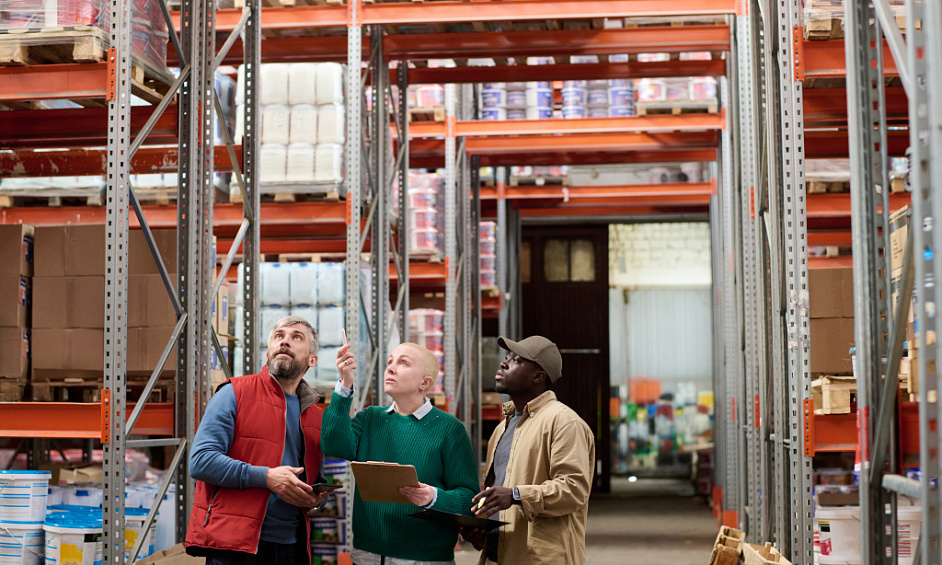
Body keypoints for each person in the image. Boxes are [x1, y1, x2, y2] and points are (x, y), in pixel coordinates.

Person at [185, 316, 328, 565]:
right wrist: (266, 477)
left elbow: (316, 478)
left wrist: (314, 498)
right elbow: (200, 461)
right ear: (268, 352)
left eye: (296, 337)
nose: (285, 341)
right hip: (235, 547)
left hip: (292, 547)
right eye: (278, 336)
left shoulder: (317, 415)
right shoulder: (234, 393)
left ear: (312, 360)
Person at [321, 341, 479, 565]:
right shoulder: (370, 419)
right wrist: (345, 386)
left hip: (423, 559)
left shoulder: (449, 429)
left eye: (403, 363)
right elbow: (331, 443)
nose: (391, 368)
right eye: (389, 362)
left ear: (424, 382)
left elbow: (470, 500)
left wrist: (433, 497)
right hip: (367, 555)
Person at [465, 335, 595, 565]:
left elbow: (573, 489)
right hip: (499, 555)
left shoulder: (564, 422)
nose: (504, 363)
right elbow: (498, 497)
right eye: (506, 357)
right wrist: (483, 529)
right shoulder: (501, 429)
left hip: (539, 558)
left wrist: (515, 495)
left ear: (538, 376)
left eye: (516, 360)